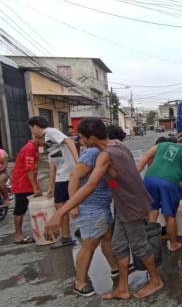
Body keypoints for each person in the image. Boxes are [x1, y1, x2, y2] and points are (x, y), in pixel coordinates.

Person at [45, 118, 163, 300]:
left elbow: (90, 186)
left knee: (139, 246)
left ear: (92, 137)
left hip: (131, 205)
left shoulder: (105, 155)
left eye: (82, 137)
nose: (80, 141)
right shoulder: (117, 144)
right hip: (123, 204)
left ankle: (155, 281)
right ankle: (123, 288)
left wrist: (60, 212)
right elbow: (121, 175)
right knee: (118, 246)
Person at [69, 138, 119, 297]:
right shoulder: (92, 154)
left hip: (102, 206)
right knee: (89, 244)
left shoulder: (105, 153)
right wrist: (73, 205)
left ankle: (115, 267)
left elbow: (109, 179)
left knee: (106, 237)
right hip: (90, 207)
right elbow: (74, 176)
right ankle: (80, 282)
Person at [28, 116, 78, 249]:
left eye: (31, 129)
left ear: (36, 126)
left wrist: (78, 163)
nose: (32, 133)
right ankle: (68, 235)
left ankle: (68, 236)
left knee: (64, 205)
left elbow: (70, 142)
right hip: (61, 175)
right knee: (63, 205)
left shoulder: (50, 132)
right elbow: (52, 169)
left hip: (68, 174)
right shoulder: (50, 144)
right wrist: (50, 188)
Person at [137, 138, 182, 252]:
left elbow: (145, 157)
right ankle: (173, 244)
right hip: (168, 182)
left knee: (152, 212)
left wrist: (135, 175)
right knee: (170, 215)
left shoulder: (162, 145)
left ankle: (151, 246)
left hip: (150, 178)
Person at [11, 136, 44, 244]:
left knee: (30, 207)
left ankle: (40, 230)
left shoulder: (34, 148)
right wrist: (35, 187)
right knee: (20, 209)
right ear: (38, 138)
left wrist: (36, 184)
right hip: (22, 183)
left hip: (27, 182)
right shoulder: (29, 148)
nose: (46, 143)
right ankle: (18, 236)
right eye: (45, 140)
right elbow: (29, 169)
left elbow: (33, 168)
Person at [0, 147, 9, 220]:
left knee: (0, 181)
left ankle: (6, 199)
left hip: (3, 172)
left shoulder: (2, 152)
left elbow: (5, 165)